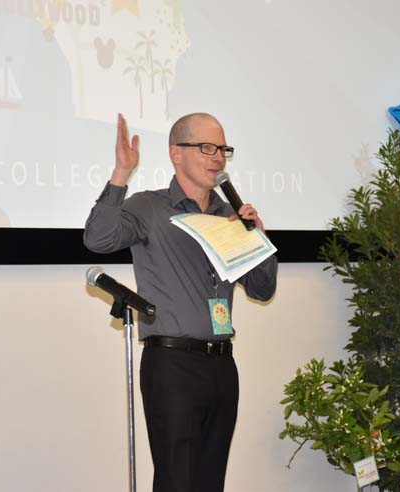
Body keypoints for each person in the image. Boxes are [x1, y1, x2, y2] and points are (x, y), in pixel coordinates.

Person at [84, 113, 278, 492]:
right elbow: (98, 238)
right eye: (207, 148)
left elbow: (262, 289)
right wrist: (121, 174)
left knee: (210, 483)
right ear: (176, 153)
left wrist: (259, 240)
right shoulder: (150, 208)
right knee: (176, 480)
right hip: (172, 366)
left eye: (223, 149)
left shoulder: (230, 216)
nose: (218, 158)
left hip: (222, 366)